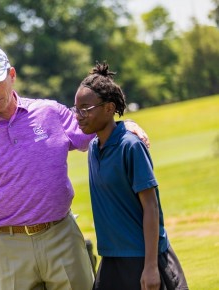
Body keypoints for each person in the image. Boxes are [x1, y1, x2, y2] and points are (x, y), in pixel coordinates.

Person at [0, 46, 149, 290]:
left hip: (61, 235)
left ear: (11, 75)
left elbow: (93, 130)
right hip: (9, 247)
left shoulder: (49, 112)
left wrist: (124, 125)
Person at [71, 62, 188, 290]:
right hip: (112, 257)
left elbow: (151, 207)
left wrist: (151, 266)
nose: (79, 116)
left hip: (143, 258)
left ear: (109, 108)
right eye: (76, 109)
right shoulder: (94, 147)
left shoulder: (130, 145)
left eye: (85, 108)